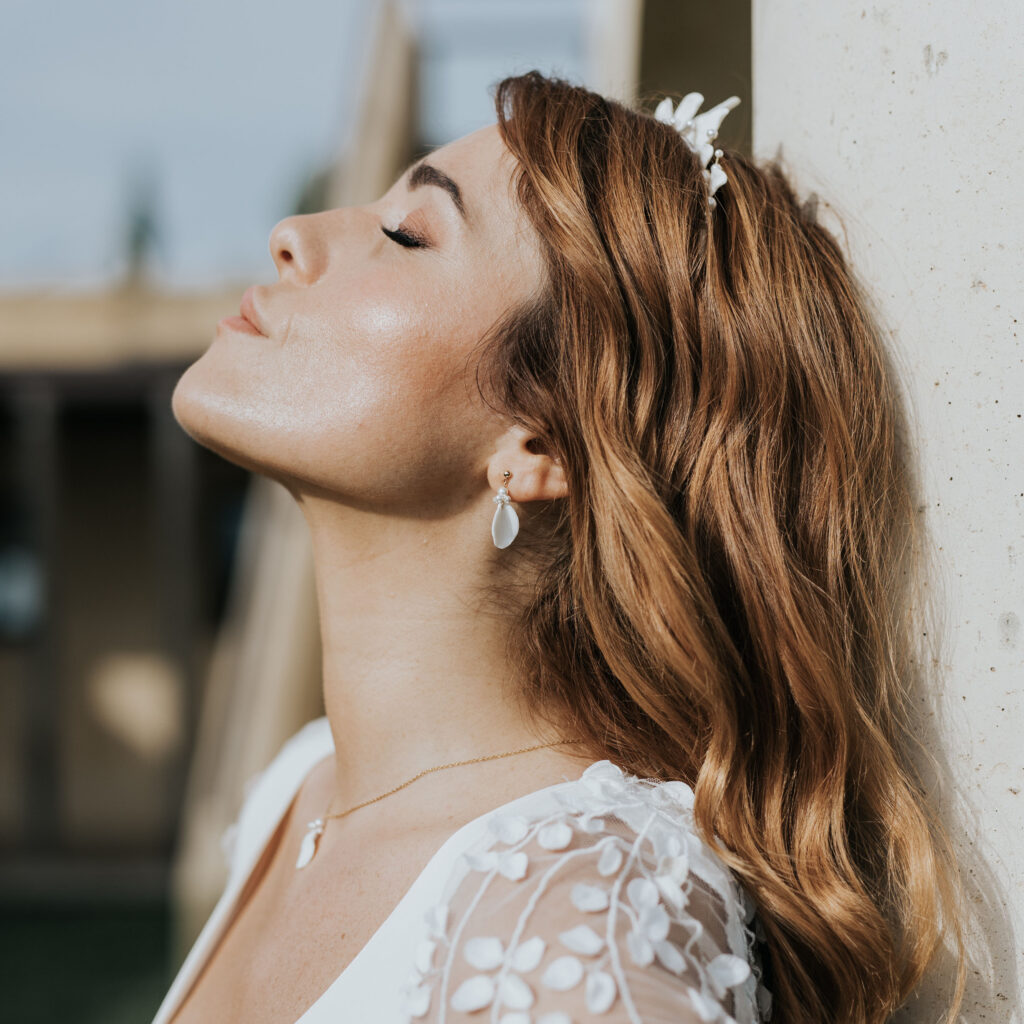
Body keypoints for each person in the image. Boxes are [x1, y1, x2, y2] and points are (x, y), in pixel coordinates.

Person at [150, 70, 965, 1024]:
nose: (297, 236)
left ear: (541, 443)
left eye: (406, 235)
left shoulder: (583, 911)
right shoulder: (302, 791)